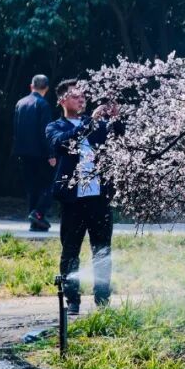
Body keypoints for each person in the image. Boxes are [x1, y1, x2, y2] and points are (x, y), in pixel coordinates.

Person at [47, 80, 121, 315]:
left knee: (103, 250)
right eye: (75, 96)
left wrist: (116, 118)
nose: (82, 100)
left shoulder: (97, 125)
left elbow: (119, 138)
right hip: (72, 200)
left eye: (84, 97)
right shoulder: (54, 127)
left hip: (99, 197)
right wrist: (90, 123)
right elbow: (63, 144)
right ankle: (73, 301)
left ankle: (103, 300)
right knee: (70, 250)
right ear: (62, 100)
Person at [12, 75, 56, 231]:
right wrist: (51, 153)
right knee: (49, 184)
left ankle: (35, 222)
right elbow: (46, 132)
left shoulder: (20, 103)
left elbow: (16, 129)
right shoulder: (43, 104)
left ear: (31, 86)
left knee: (32, 188)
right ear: (47, 88)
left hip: (23, 152)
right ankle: (38, 213)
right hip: (40, 152)